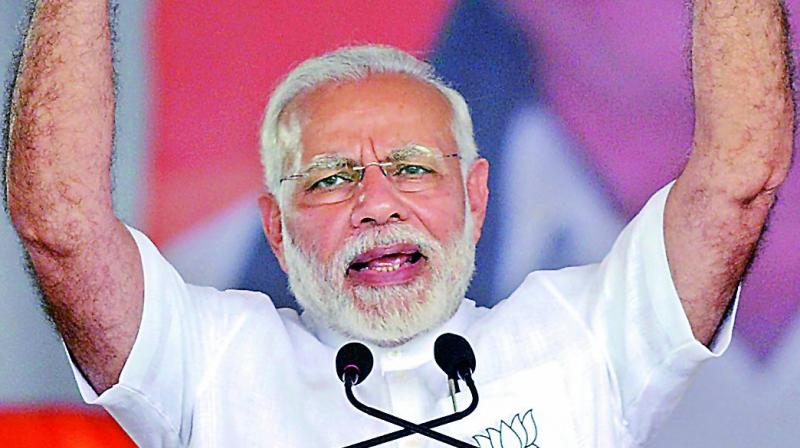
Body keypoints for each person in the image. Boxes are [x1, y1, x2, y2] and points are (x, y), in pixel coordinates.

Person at [3, 1, 794, 447]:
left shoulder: (581, 339)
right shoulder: (213, 361)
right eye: (332, 177)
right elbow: (60, 225)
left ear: (474, 197)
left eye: (413, 168)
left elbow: (738, 180)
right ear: (276, 230)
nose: (376, 203)